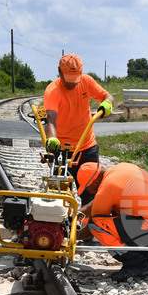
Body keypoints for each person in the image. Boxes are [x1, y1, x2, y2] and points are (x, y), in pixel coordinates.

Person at [75, 162, 148, 281]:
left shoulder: (108, 186)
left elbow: (95, 223)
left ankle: (136, 264)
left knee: (95, 224)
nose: (89, 192)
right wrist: (73, 215)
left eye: (88, 188)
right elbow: (95, 204)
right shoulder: (121, 169)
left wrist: (71, 236)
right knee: (118, 215)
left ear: (96, 182)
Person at [42, 54, 113, 200]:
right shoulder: (53, 90)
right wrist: (52, 139)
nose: (72, 84)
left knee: (91, 194)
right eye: (68, 78)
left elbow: (108, 96)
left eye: (75, 79)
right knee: (59, 194)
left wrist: (107, 103)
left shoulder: (87, 81)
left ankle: (90, 215)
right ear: (59, 71)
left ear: (81, 72)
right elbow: (51, 119)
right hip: (61, 150)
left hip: (87, 147)